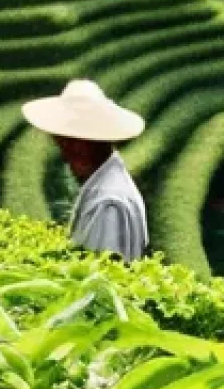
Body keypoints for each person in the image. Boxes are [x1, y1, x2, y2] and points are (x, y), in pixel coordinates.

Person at [21, 79, 148, 262]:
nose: (66, 149)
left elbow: (101, 282)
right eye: (63, 140)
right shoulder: (105, 185)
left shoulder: (108, 203)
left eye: (75, 140)